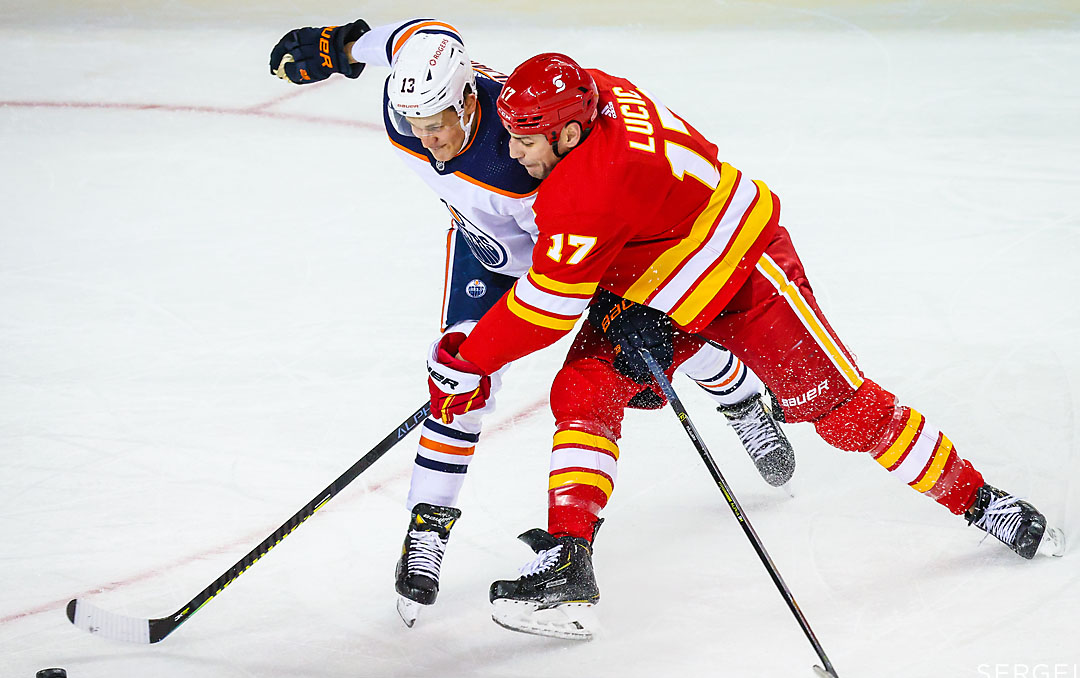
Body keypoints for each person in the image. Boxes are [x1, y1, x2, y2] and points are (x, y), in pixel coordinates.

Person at [424, 52, 1066, 639]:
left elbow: (548, 307)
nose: (514, 151)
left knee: (848, 414)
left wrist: (468, 359)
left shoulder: (584, 190)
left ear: (567, 132)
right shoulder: (602, 94)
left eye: (527, 139)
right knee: (583, 387)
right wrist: (641, 294)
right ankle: (569, 560)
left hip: (747, 274)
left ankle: (983, 501)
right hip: (662, 273)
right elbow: (644, 212)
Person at [267, 19, 796, 626]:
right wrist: (343, 45)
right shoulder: (408, 113)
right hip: (486, 253)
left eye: (438, 121)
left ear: (469, 98)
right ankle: (427, 529)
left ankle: (738, 391)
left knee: (645, 348)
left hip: (567, 258)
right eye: (416, 123)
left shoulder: (524, 147)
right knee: (454, 380)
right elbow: (418, 33)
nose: (428, 138)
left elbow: (557, 289)